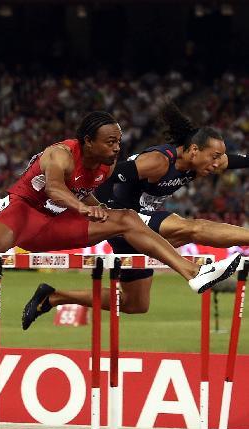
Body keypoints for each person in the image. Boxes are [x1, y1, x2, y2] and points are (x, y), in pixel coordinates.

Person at [0, 111, 240, 295]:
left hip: (58, 221)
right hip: (25, 210)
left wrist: (97, 207)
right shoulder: (60, 154)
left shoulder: (106, 164)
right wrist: (83, 207)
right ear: (87, 141)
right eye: (110, 142)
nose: (116, 148)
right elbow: (55, 189)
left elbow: (85, 192)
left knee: (127, 219)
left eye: (119, 141)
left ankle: (191, 272)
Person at [20, 102, 249, 328]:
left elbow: (235, 160)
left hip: (140, 224)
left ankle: (52, 297)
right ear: (194, 150)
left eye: (220, 158)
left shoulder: (199, 161)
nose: (218, 163)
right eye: (215, 156)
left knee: (135, 303)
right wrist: (106, 211)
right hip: (123, 218)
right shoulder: (158, 161)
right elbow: (108, 177)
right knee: (189, 228)